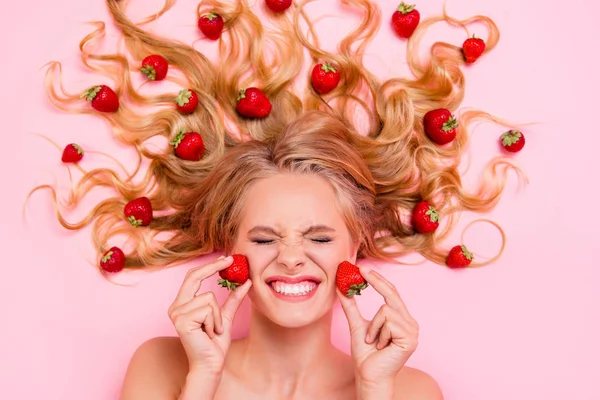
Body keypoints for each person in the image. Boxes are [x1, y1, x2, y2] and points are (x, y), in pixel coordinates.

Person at [37, 0, 521, 398]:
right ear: (232, 250)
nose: (291, 258)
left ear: (354, 248)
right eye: (265, 237)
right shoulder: (163, 366)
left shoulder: (409, 391)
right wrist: (201, 380)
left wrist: (374, 389)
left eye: (320, 236)